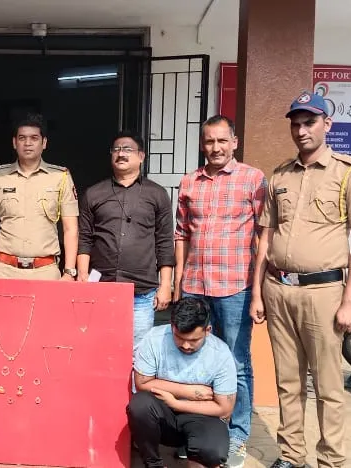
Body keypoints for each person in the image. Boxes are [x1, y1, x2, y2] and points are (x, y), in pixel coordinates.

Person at [250, 91, 351, 468]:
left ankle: (330, 461)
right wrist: (257, 293)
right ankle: (291, 456)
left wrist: (350, 301)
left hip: (323, 293)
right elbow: (265, 239)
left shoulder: (350, 172)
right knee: (287, 382)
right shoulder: (280, 175)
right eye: (296, 124)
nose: (301, 130)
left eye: (310, 122)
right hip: (278, 290)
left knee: (327, 386)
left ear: (327, 125)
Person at [173, 115, 267, 468]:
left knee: (236, 362)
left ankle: (238, 434)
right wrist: (179, 280)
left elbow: (265, 235)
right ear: (202, 144)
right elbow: (182, 234)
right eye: (209, 141)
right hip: (195, 284)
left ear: (234, 142)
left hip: (235, 285)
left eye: (222, 141)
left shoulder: (253, 179)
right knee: (193, 359)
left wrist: (258, 290)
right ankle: (198, 433)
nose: (215, 148)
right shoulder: (189, 182)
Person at [76, 130, 174, 346]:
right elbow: (85, 238)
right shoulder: (94, 193)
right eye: (117, 149)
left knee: (136, 352)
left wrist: (166, 284)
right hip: (101, 288)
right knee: (97, 347)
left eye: (128, 149)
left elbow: (165, 242)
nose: (121, 154)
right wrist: (82, 275)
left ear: (141, 156)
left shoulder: (157, 194)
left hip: (141, 292)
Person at [127, 297, 238, 468]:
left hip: (201, 417)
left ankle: (196, 459)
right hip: (163, 414)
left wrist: (176, 403)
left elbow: (225, 409)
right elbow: (142, 383)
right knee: (139, 405)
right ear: (172, 326)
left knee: (212, 451)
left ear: (207, 330)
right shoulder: (154, 339)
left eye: (193, 340)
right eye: (179, 337)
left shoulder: (221, 353)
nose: (186, 345)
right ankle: (153, 464)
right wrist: (190, 392)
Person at [0, 112, 79, 281]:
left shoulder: (60, 177)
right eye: (22, 138)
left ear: (44, 143)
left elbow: (70, 228)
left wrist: (69, 272)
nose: (28, 143)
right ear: (14, 142)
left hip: (45, 271)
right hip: (4, 270)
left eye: (34, 138)